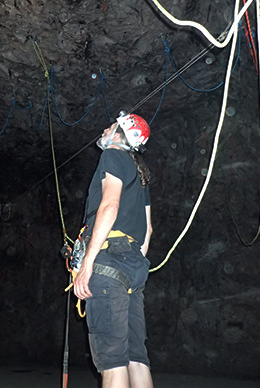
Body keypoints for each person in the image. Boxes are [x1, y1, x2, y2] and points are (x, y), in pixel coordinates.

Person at [73, 111, 154, 388]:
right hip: (134, 268)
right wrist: (133, 267)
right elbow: (148, 231)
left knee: (113, 360)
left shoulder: (113, 156)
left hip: (109, 265)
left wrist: (88, 263)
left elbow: (110, 206)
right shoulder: (140, 177)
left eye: (111, 126)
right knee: (136, 358)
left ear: (120, 134)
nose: (105, 129)